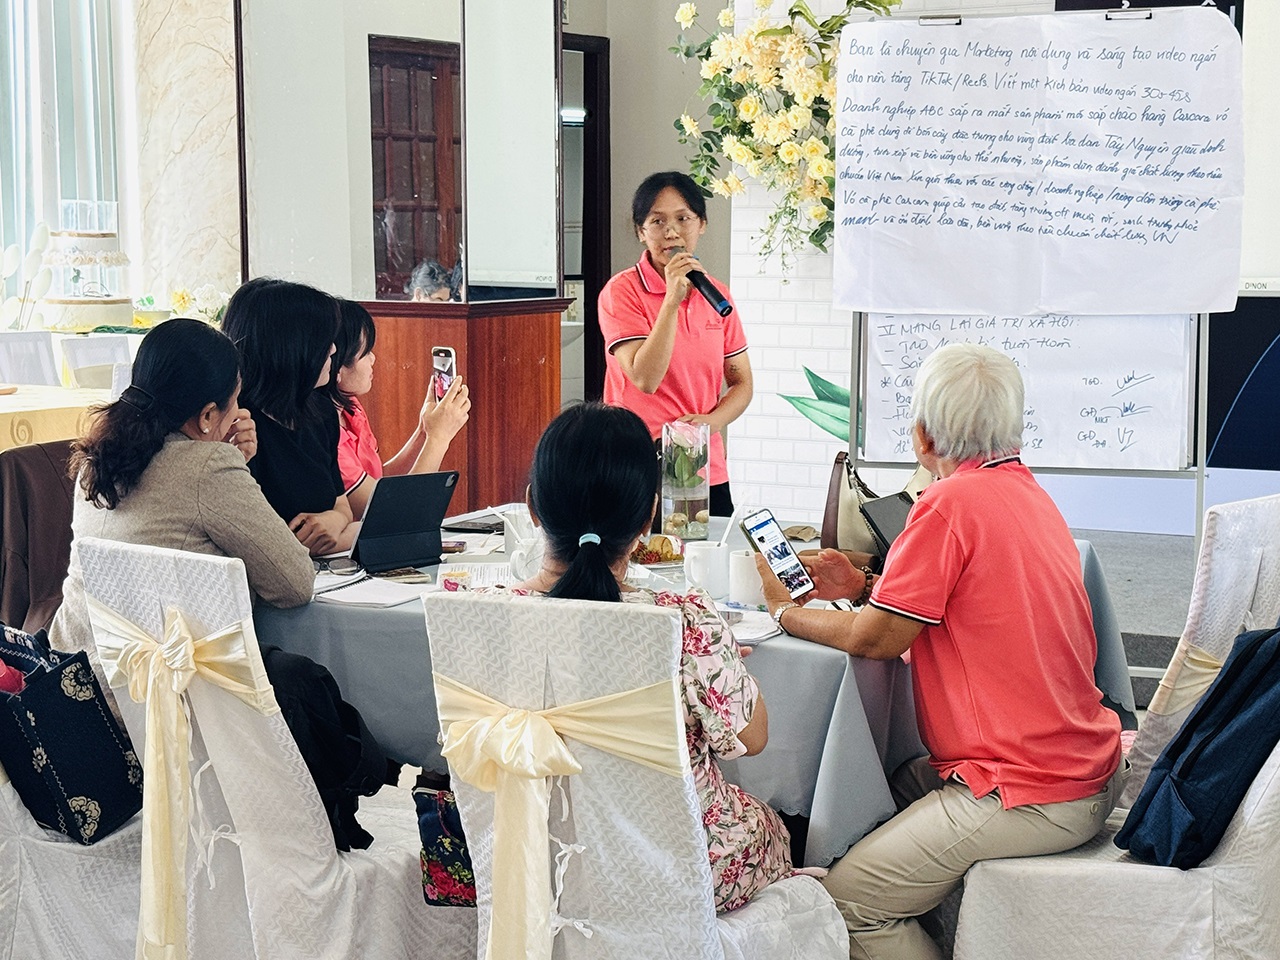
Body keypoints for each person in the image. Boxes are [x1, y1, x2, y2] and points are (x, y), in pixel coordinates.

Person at [754, 343, 1124, 960]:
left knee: (848, 904)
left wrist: (783, 612)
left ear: (924, 437)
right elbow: (968, 604)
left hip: (1026, 790)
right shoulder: (1030, 496)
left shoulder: (948, 505)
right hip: (1081, 766)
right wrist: (869, 587)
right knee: (879, 786)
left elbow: (877, 638)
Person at [495, 402, 791, 911]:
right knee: (777, 825)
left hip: (527, 862)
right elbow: (753, 738)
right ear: (650, 514)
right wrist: (718, 663)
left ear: (532, 508)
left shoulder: (480, 616)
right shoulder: (684, 618)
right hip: (675, 870)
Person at [48, 317, 314, 689]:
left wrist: (224, 458)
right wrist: (230, 465)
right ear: (207, 415)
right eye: (235, 402)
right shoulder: (209, 468)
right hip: (167, 701)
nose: (238, 414)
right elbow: (294, 583)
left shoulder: (98, 458)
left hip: (76, 684)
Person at [598, 171, 753, 516]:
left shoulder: (717, 295)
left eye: (683, 218)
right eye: (657, 221)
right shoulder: (621, 292)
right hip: (637, 464)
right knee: (643, 565)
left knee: (712, 562)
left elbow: (742, 383)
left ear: (702, 225)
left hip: (703, 464)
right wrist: (671, 300)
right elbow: (644, 378)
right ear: (641, 232)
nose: (671, 231)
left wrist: (710, 424)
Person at [221, 277, 358, 555]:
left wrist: (335, 520)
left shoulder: (319, 411)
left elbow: (340, 502)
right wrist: (348, 536)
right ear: (290, 347)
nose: (333, 349)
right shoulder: (238, 425)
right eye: (323, 340)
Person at [328, 299, 470, 520]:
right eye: (366, 353)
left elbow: (380, 483)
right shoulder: (323, 429)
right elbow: (391, 514)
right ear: (335, 364)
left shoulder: (350, 406)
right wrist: (439, 438)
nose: (373, 359)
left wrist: (424, 430)